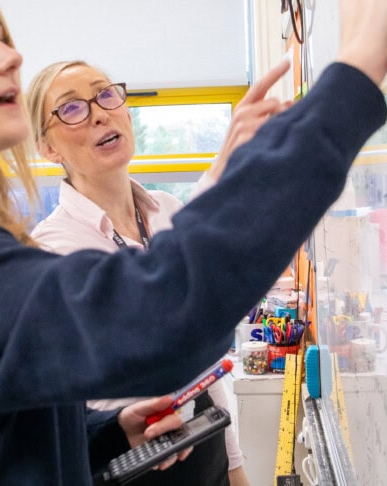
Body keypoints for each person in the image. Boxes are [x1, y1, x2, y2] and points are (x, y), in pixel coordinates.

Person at [0, 0, 387, 483]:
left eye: (1, 35)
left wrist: (105, 435)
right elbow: (164, 316)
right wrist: (349, 83)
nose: (12, 55)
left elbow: (1, 436)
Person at [25, 58, 292, 486]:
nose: (98, 112)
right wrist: (223, 174)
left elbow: (203, 363)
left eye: (105, 94)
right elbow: (159, 330)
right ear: (48, 149)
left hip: (206, 448)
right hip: (134, 465)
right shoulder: (52, 248)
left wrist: (236, 469)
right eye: (71, 109)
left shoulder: (167, 209)